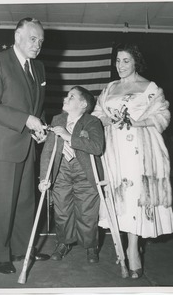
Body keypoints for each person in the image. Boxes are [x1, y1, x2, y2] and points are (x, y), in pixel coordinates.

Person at [92, 43, 173, 278]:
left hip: (139, 149)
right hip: (113, 151)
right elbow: (97, 114)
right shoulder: (110, 87)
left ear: (136, 62)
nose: (120, 65)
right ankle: (125, 245)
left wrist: (137, 122)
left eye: (126, 61)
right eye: (118, 61)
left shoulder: (149, 88)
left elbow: (163, 114)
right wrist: (108, 120)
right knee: (120, 196)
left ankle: (132, 250)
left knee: (135, 196)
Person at [0, 18, 49, 274]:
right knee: (2, 203)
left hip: (28, 145)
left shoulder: (39, 68)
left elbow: (36, 107)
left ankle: (23, 248)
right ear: (18, 36)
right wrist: (25, 120)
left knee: (25, 202)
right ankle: (0, 254)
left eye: (41, 41)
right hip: (4, 146)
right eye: (33, 38)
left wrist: (39, 127)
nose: (38, 44)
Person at [39, 86, 104, 263]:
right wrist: (44, 177)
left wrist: (69, 137)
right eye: (67, 96)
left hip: (84, 171)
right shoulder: (58, 119)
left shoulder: (92, 122)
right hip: (61, 170)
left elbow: (97, 147)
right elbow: (48, 151)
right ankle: (64, 242)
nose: (66, 98)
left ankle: (90, 245)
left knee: (87, 211)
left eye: (71, 96)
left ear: (83, 104)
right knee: (61, 209)